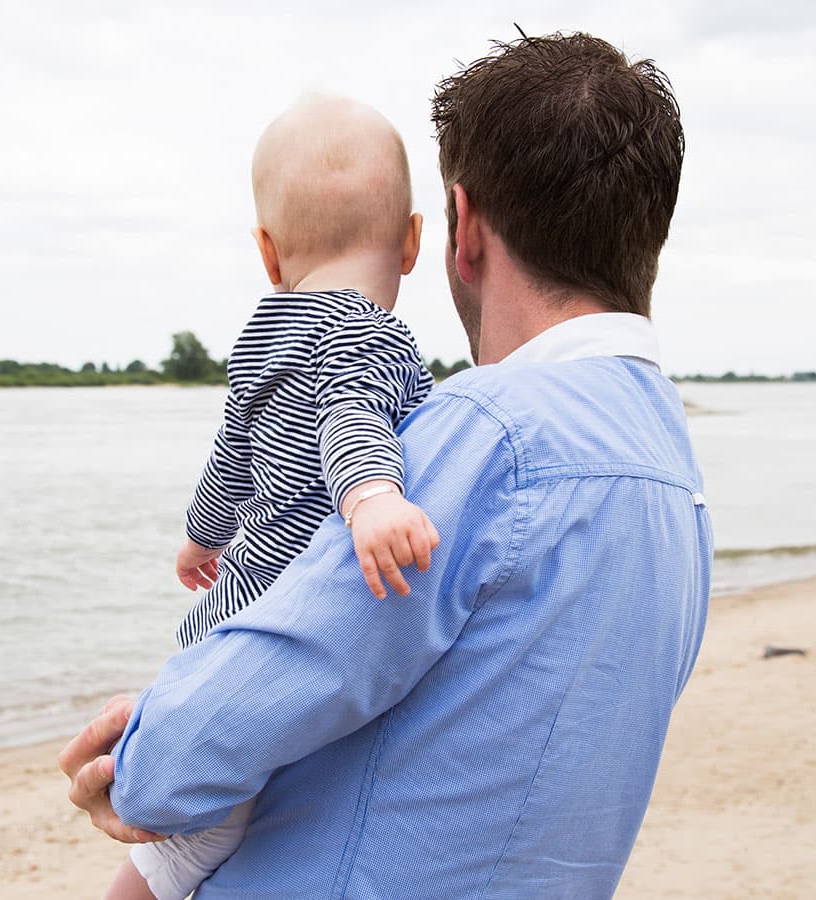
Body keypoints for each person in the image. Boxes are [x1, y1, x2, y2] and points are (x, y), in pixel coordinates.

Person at [63, 31, 710, 899]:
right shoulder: (672, 466)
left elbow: (266, 690)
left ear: (463, 227)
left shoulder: (487, 435)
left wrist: (133, 766)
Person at [106, 95, 441, 900]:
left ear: (267, 250)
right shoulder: (373, 335)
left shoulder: (263, 334)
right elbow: (349, 411)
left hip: (217, 624)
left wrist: (200, 537)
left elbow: (231, 454)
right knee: (192, 846)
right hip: (264, 647)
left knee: (193, 845)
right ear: (413, 242)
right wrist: (371, 499)